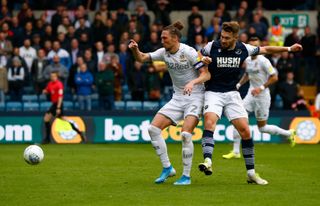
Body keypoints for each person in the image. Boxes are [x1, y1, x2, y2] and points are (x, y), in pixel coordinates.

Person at [199, 21, 302, 185]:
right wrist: (202, 60)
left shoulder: (244, 48)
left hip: (233, 94)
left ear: (235, 37)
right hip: (213, 92)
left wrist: (289, 49)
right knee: (210, 123)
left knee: (246, 131)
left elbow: (267, 49)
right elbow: (198, 54)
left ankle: (251, 174)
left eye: (226, 37)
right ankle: (208, 161)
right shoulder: (212, 46)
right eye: (221, 36)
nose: (223, 40)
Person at [128, 21, 210, 185]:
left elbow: (206, 75)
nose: (162, 41)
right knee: (153, 129)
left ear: (174, 39)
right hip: (178, 97)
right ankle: (168, 168)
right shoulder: (163, 52)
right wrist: (135, 49)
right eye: (161, 38)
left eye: (164, 38)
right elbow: (142, 58)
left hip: (195, 95)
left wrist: (192, 83)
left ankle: (186, 176)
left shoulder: (189, 52)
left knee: (186, 134)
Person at [222, 37, 297, 160]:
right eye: (252, 46)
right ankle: (235, 151)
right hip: (251, 95)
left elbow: (274, 77)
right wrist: (239, 84)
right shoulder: (248, 59)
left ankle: (289, 133)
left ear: (259, 46)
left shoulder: (264, 61)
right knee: (238, 118)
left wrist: (260, 88)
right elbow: (247, 74)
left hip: (262, 96)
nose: (254, 49)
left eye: (256, 46)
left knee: (262, 128)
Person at [42, 71, 86, 144]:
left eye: (54, 76)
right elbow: (48, 90)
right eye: (51, 76)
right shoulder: (50, 84)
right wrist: (45, 91)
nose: (52, 78)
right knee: (61, 118)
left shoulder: (59, 84)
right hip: (54, 104)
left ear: (57, 77)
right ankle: (80, 132)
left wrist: (58, 108)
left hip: (58, 104)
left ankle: (47, 139)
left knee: (47, 118)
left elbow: (60, 97)